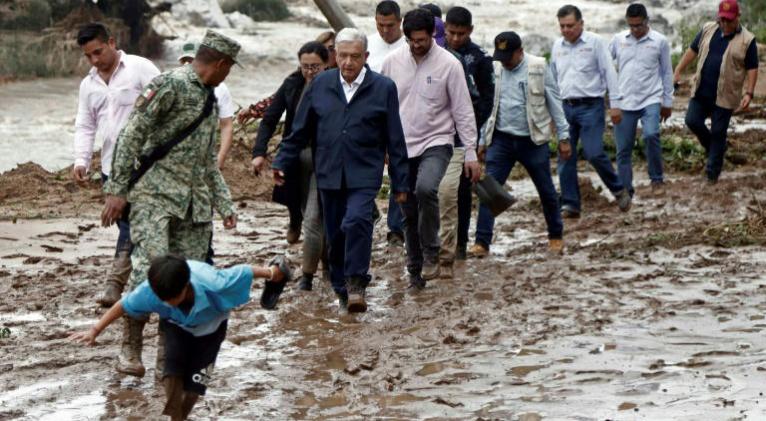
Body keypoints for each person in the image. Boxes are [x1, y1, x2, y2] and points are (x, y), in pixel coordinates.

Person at [101, 30, 240, 378]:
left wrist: (224, 204)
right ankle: (129, 349)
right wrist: (117, 189)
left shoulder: (210, 98)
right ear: (221, 64)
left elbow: (207, 160)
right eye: (229, 68)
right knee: (149, 272)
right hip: (155, 200)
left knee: (185, 281)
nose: (228, 74)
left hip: (194, 209)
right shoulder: (170, 85)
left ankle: (169, 355)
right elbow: (132, 133)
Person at [272, 28, 409, 313]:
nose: (348, 62)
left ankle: (357, 282)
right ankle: (341, 288)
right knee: (334, 234)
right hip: (329, 172)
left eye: (355, 57)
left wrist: (401, 183)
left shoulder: (383, 87)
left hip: (364, 171)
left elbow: (395, 138)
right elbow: (299, 130)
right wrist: (282, 161)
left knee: (357, 219)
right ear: (335, 56)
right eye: (343, 55)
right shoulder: (321, 84)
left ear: (366, 57)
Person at [70, 254, 290, 421]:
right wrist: (94, 331)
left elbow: (244, 272)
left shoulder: (215, 283)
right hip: (176, 326)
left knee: (193, 387)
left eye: (172, 298)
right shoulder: (149, 292)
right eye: (161, 299)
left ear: (185, 287)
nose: (165, 303)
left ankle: (180, 415)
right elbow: (123, 305)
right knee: (171, 374)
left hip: (211, 329)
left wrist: (272, 273)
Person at [381, 8, 480, 289]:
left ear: (432, 36)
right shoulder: (391, 62)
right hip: (401, 145)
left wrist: (471, 153)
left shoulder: (449, 64)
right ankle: (415, 272)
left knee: (426, 189)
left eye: (422, 40)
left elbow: (463, 110)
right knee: (408, 210)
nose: (417, 45)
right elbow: (382, 108)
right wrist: (382, 146)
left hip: (437, 141)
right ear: (406, 36)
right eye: (412, 40)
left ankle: (432, 252)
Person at [73, 23, 160, 308]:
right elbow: (85, 124)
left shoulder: (140, 69)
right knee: (130, 222)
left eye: (98, 52)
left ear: (111, 42)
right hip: (111, 165)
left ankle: (115, 283)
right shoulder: (89, 84)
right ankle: (144, 279)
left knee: (135, 220)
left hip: (147, 162)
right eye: (89, 56)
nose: (95, 61)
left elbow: (167, 102)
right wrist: (82, 160)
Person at [471, 32, 569, 257]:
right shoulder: (495, 69)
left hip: (532, 141)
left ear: (520, 52)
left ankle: (556, 236)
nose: (504, 61)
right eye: (501, 56)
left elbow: (555, 103)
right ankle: (482, 242)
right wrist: (482, 141)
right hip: (501, 140)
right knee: (489, 191)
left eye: (508, 56)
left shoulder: (539, 67)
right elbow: (489, 109)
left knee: (546, 191)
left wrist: (564, 138)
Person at [251, 41, 330, 290]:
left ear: (326, 64)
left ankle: (319, 270)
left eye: (315, 67)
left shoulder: (335, 85)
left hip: (326, 157)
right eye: (305, 66)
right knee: (301, 206)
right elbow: (270, 118)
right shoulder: (292, 83)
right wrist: (259, 152)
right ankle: (296, 221)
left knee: (317, 216)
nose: (309, 72)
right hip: (296, 154)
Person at [551, 4, 632, 219]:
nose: (566, 30)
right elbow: (552, 80)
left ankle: (618, 189)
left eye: (570, 25)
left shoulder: (595, 43)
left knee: (593, 152)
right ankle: (570, 204)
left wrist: (615, 104)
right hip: (565, 107)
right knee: (565, 155)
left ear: (581, 24)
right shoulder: (557, 46)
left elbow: (609, 73)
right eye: (562, 26)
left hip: (591, 107)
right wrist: (552, 113)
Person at [674, 0, 758, 184]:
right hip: (702, 90)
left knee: (719, 131)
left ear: (738, 18)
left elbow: (752, 68)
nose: (725, 24)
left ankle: (712, 174)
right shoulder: (708, 29)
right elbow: (692, 50)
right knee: (692, 121)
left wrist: (749, 93)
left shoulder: (747, 40)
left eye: (729, 20)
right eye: (722, 20)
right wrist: (678, 69)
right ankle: (715, 149)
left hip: (725, 95)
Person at [439, 6, 494, 269]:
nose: (456, 38)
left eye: (461, 34)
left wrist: (469, 130)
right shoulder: (435, 53)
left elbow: (486, 99)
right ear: (444, 28)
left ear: (470, 31)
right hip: (435, 133)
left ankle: (459, 244)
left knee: (460, 192)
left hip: (464, 137)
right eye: (451, 33)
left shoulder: (479, 58)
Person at [609, 3, 674, 195]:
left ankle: (656, 179)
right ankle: (626, 189)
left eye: (639, 25)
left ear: (647, 22)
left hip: (650, 98)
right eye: (631, 26)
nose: (635, 29)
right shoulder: (618, 40)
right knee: (623, 149)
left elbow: (666, 72)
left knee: (651, 134)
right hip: (624, 100)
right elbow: (605, 63)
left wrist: (667, 102)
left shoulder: (659, 41)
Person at [366, 1, 407, 246]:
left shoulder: (408, 46)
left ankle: (395, 229)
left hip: (400, 119)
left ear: (399, 22)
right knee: (364, 170)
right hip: (370, 119)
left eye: (389, 26)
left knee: (398, 173)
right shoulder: (368, 43)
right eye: (380, 25)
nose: (384, 31)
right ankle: (368, 211)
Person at [178, 42, 236, 171]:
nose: (188, 65)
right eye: (185, 61)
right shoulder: (171, 84)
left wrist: (221, 158)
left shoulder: (220, 88)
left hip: (204, 159)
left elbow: (226, 125)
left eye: (191, 61)